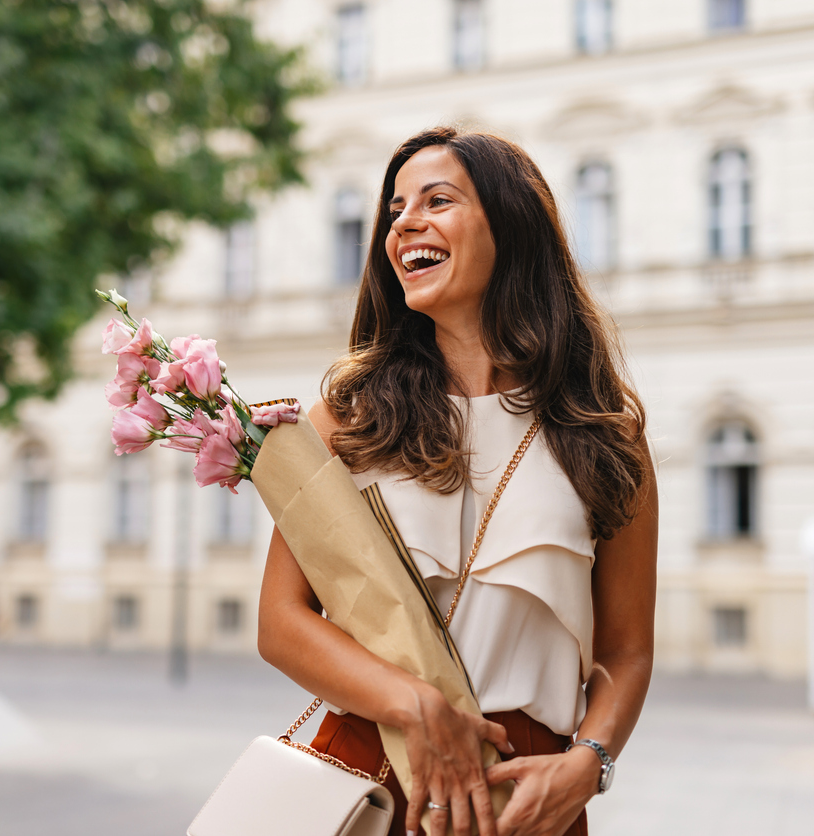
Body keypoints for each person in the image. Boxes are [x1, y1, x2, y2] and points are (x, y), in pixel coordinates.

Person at [257, 127, 658, 836]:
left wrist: (589, 762)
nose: (403, 221)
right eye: (394, 210)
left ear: (510, 224)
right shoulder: (347, 418)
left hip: (524, 796)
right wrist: (411, 705)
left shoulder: (604, 431)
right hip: (366, 774)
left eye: (436, 200)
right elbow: (280, 623)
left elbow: (626, 650)